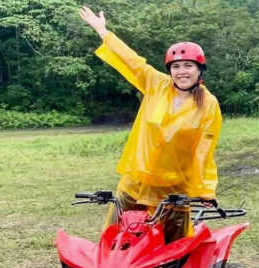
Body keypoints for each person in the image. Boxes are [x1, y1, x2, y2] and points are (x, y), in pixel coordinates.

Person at [79, 6, 222, 243]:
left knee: (177, 256)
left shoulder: (208, 104)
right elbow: (132, 61)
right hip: (134, 182)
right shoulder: (156, 85)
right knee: (112, 242)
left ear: (199, 70)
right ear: (170, 70)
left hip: (173, 192)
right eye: (176, 66)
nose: (182, 71)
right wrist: (102, 31)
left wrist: (205, 190)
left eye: (188, 66)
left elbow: (204, 149)